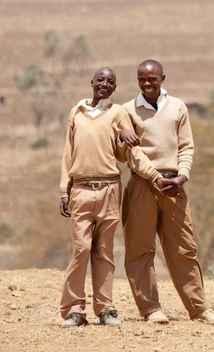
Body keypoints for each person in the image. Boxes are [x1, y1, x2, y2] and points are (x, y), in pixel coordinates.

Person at [121, 59, 214, 324]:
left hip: (174, 187)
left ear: (162, 78)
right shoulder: (127, 111)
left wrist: (182, 177)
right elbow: (128, 154)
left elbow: (186, 147)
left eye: (152, 78)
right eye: (141, 79)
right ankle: (151, 309)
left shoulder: (178, 107)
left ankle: (199, 309)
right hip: (143, 185)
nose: (147, 83)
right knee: (140, 250)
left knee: (184, 249)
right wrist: (153, 177)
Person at [59, 67, 162, 328]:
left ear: (114, 89)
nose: (105, 84)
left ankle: (105, 309)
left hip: (109, 189)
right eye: (101, 80)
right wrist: (64, 190)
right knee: (81, 249)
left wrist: (122, 136)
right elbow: (68, 153)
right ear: (91, 82)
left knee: (104, 251)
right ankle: (74, 310)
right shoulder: (77, 112)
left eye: (111, 82)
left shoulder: (117, 112)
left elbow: (123, 150)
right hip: (81, 190)